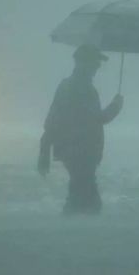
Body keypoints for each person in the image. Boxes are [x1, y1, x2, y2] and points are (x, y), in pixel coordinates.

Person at [39, 44, 124, 214]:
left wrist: (45, 149)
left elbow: (52, 119)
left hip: (71, 150)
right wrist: (116, 106)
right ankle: (73, 232)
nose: (98, 67)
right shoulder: (83, 88)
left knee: (80, 195)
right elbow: (98, 119)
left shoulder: (66, 85)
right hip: (82, 151)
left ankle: (71, 230)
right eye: (95, 62)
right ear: (83, 63)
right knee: (88, 200)